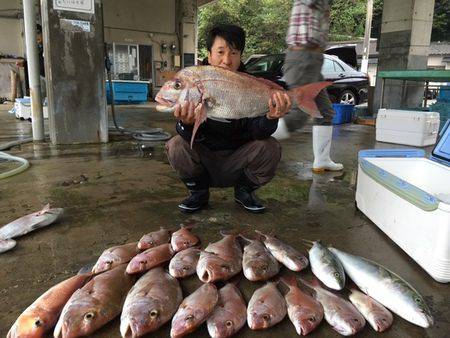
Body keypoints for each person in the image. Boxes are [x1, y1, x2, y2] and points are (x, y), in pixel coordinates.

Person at [165, 24, 291, 214]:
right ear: (209, 54)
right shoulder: (198, 81)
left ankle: (244, 191)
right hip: (205, 160)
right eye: (220, 52)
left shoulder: (250, 83)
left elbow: (258, 132)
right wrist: (186, 124)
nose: (226, 60)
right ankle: (198, 192)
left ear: (240, 55)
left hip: (238, 161)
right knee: (176, 145)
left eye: (233, 53)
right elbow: (184, 133)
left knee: (270, 147)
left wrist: (271, 117)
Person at [282, 0, 343, 172]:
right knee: (299, 115)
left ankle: (322, 160)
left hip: (312, 59)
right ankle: (252, 140)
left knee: (325, 112)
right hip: (304, 57)